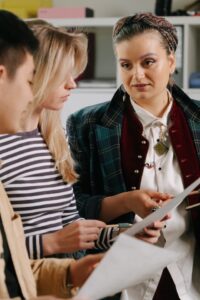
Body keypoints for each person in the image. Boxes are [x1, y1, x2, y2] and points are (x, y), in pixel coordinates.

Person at [67, 13, 200, 299]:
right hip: (120, 285)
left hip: (191, 279)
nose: (136, 75)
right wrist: (126, 202)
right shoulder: (86, 124)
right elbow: (70, 208)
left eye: (148, 62)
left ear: (172, 62)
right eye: (126, 65)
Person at [0, 9, 103, 299]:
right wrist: (52, 243)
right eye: (63, 76)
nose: (72, 84)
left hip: (59, 284)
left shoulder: (52, 136)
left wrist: (118, 235)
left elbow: (70, 221)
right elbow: (7, 252)